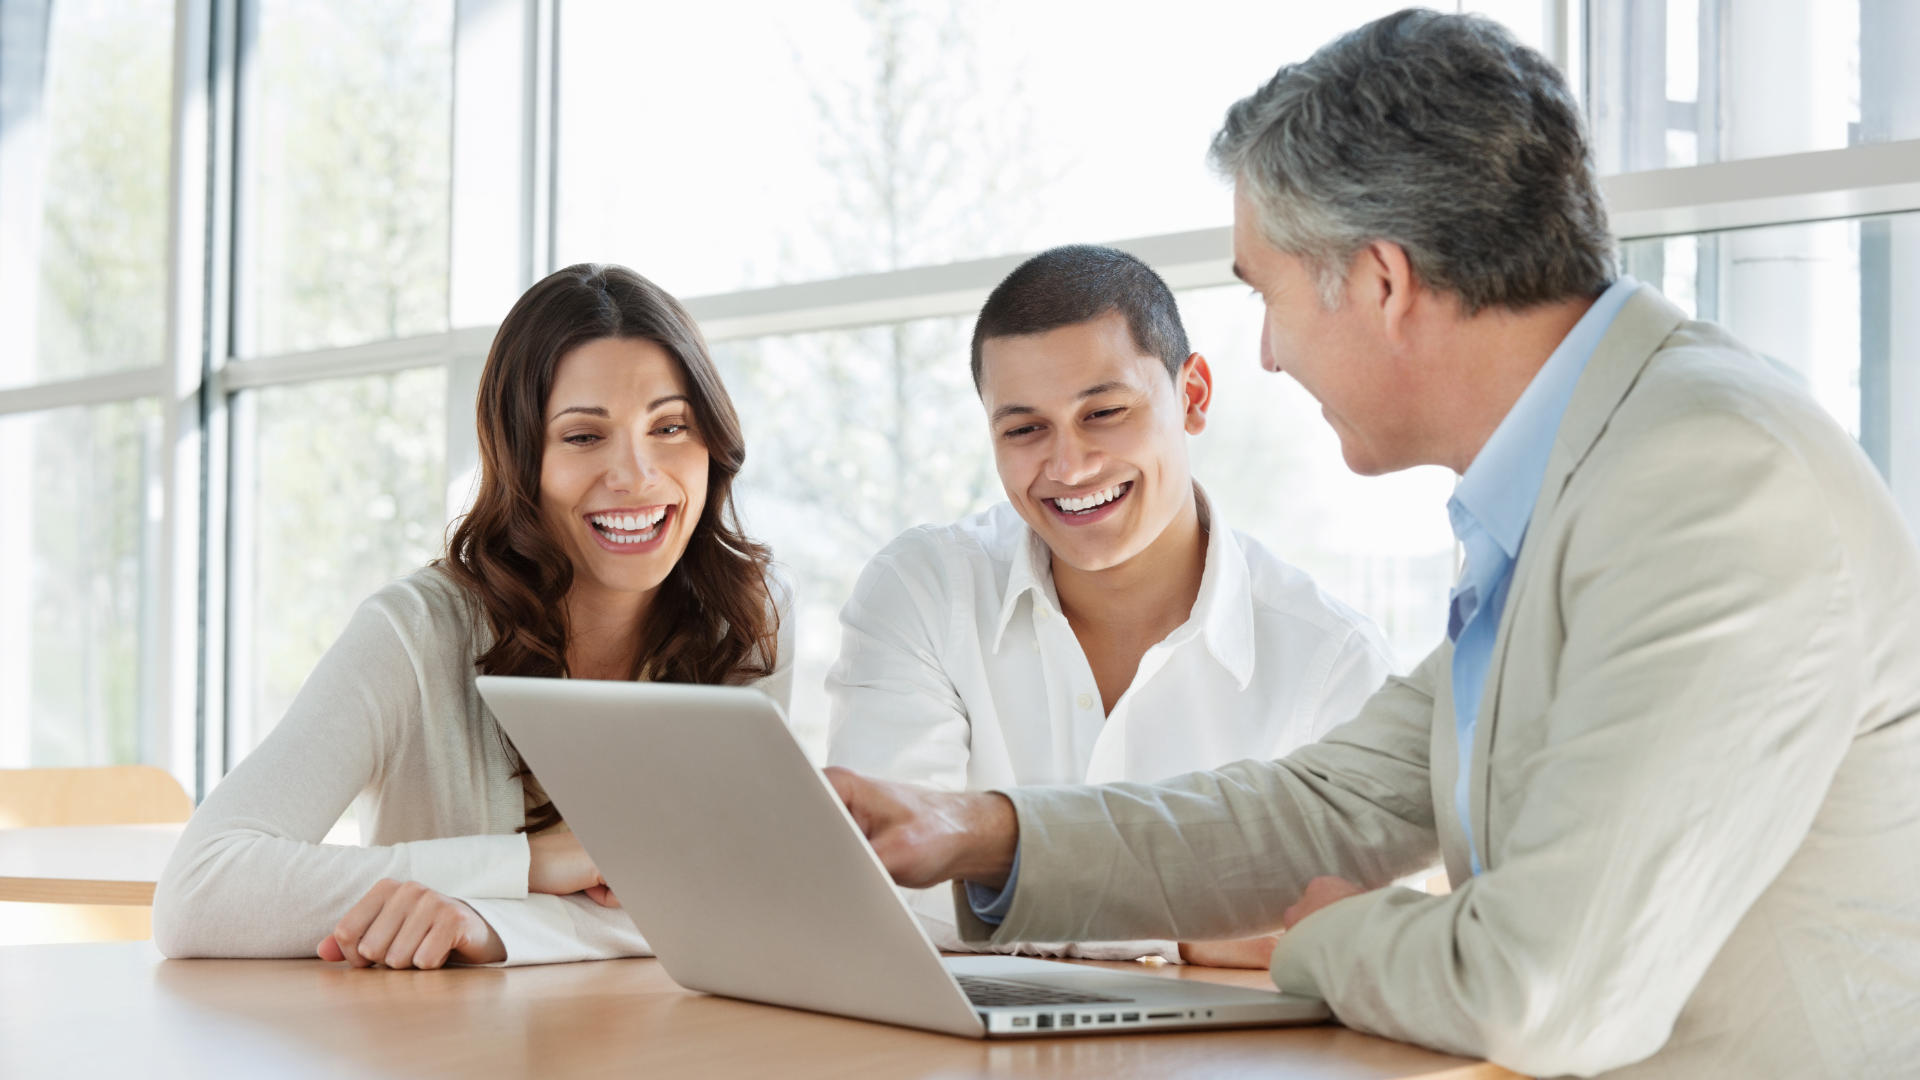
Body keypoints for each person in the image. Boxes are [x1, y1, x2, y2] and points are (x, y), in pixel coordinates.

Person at [825, 11, 1920, 1079]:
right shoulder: (1585, 481)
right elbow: (1326, 807)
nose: (1265, 352)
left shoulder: (1707, 481)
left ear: (1383, 282)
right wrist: (979, 831)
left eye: (1268, 293)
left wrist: (1323, 941)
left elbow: (1540, 990)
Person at [154, 264, 793, 969]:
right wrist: (527, 865)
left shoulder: (747, 619)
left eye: (671, 426)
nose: (637, 475)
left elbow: (746, 895)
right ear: (521, 458)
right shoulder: (415, 631)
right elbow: (200, 892)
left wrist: (492, 925)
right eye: (583, 437)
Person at [826, 245, 1395, 962]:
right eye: (1025, 429)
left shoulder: (1330, 663)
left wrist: (1001, 879)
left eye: (1105, 412)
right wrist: (1193, 928)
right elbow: (883, 888)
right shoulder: (925, 588)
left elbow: (1352, 931)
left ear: (1192, 398)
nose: (1068, 467)